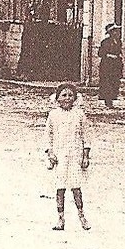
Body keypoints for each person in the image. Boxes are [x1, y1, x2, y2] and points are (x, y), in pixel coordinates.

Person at [44, 82, 92, 231]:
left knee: (76, 187)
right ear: (57, 98)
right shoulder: (53, 115)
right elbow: (48, 135)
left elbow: (87, 136)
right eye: (63, 95)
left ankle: (82, 216)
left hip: (75, 155)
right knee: (60, 188)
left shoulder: (79, 114)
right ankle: (61, 218)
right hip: (59, 156)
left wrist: (85, 156)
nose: (67, 98)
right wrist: (50, 152)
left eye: (70, 95)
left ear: (75, 98)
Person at [97, 24, 123, 108]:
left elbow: (119, 52)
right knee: (107, 83)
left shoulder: (118, 42)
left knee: (114, 82)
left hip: (116, 65)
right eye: (115, 31)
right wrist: (109, 55)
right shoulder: (105, 42)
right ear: (111, 32)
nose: (117, 32)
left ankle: (111, 98)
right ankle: (108, 101)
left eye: (117, 31)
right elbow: (100, 53)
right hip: (107, 65)